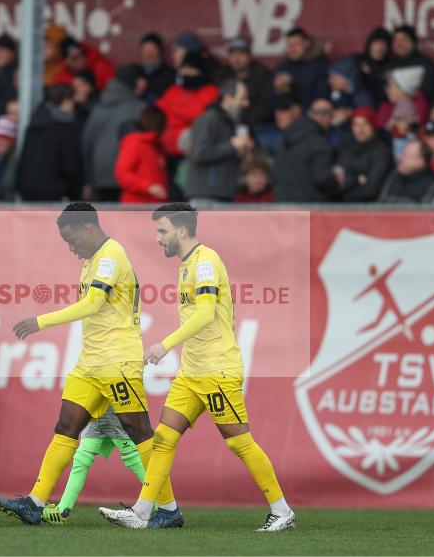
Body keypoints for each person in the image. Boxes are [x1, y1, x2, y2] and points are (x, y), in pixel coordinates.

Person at [99, 203, 296, 531]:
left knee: (238, 441)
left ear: (181, 230)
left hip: (217, 370)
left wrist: (164, 345)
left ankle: (282, 510)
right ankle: (143, 512)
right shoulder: (188, 265)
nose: (158, 238)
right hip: (192, 372)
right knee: (162, 438)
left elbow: (205, 314)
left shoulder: (205, 262)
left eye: (162, 231)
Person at [0, 203, 178, 526]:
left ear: (89, 229)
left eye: (72, 239)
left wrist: (41, 322)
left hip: (117, 360)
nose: (70, 247)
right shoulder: (93, 259)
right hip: (90, 362)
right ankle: (35, 503)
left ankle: (168, 508)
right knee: (66, 426)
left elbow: (92, 304)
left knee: (139, 432)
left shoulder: (110, 255)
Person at [42, 407, 147, 524]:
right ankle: (62, 511)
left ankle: (159, 502)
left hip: (111, 408)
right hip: (94, 412)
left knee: (133, 457)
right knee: (81, 459)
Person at [82, 65, 147, 202]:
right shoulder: (139, 108)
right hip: (127, 176)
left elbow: (86, 144)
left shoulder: (97, 109)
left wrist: (90, 179)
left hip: (99, 176)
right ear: (133, 82)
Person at [186, 79, 253, 205]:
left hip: (223, 194)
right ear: (228, 98)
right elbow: (199, 154)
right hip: (206, 196)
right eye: (242, 98)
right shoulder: (208, 119)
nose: (246, 103)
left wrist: (242, 152)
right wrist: (232, 145)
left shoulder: (230, 123)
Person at [17, 83, 82, 202]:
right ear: (66, 101)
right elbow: (70, 164)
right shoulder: (65, 127)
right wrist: (76, 193)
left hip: (28, 188)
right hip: (54, 190)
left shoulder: (33, 124)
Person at [156, 52, 219, 159]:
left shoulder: (211, 91)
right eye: (184, 68)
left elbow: (198, 114)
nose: (187, 72)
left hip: (193, 152)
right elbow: (156, 114)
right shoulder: (173, 90)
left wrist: (173, 111)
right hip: (165, 149)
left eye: (191, 68)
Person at [274, 98, 337, 202]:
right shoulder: (320, 142)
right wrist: (337, 183)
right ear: (326, 117)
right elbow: (322, 179)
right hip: (308, 208)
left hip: (282, 204)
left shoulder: (283, 138)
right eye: (331, 117)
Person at [335, 107, 392, 203]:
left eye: (365, 124)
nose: (359, 130)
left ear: (372, 126)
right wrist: (356, 179)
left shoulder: (382, 152)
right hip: (343, 205)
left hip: (369, 208)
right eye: (355, 124)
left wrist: (342, 196)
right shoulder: (347, 150)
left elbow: (372, 189)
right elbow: (338, 180)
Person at [114, 106, 169, 204]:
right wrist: (148, 187)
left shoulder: (155, 146)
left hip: (153, 206)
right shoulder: (135, 142)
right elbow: (122, 173)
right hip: (136, 207)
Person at [217, 37, 274, 128]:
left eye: (241, 54)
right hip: (227, 124)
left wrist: (242, 119)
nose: (236, 59)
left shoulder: (262, 75)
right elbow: (218, 103)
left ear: (250, 56)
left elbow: (266, 109)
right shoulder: (223, 74)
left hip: (258, 125)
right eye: (233, 55)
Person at [274, 27, 329, 107]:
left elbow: (321, 98)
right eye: (289, 44)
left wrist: (298, 108)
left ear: (307, 43)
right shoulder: (282, 67)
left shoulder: (320, 66)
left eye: (296, 44)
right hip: (285, 114)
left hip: (310, 115)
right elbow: (270, 100)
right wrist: (279, 90)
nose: (292, 48)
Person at [379, 139, 434, 203]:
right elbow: (380, 202)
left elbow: (426, 210)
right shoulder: (394, 175)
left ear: (420, 161)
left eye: (406, 155)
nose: (400, 157)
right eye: (402, 153)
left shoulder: (432, 184)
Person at [387, 25, 434, 99]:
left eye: (404, 39)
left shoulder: (426, 64)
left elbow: (429, 92)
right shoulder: (389, 65)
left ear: (413, 42)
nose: (399, 44)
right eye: (396, 40)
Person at [138, 32, 175, 103]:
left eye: (152, 50)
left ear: (160, 52)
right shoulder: (136, 72)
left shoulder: (170, 74)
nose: (148, 54)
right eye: (144, 50)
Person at [359, 27, 392, 105]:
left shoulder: (390, 66)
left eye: (383, 43)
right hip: (362, 105)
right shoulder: (359, 62)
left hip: (383, 106)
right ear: (370, 44)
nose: (379, 47)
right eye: (376, 43)